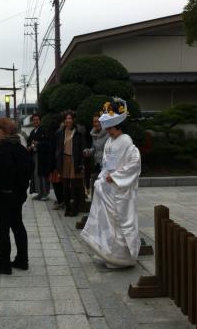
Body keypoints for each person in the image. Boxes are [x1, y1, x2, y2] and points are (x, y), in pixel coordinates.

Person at [81, 99, 142, 268]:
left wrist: (116, 177)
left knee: (120, 221)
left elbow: (134, 164)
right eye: (107, 128)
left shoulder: (126, 141)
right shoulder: (110, 141)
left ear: (118, 126)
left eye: (111, 128)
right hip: (109, 186)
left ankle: (122, 257)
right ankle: (109, 253)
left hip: (121, 188)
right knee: (108, 222)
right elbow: (107, 163)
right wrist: (104, 176)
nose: (108, 131)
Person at [0, 117, 31, 275]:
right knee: (18, 225)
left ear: (5, 132)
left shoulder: (1, 150)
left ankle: (4, 264)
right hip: (18, 195)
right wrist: (21, 190)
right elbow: (28, 172)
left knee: (2, 230)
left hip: (3, 197)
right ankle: (22, 260)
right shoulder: (20, 148)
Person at [76, 114, 109, 229]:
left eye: (98, 122)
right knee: (94, 189)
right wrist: (88, 151)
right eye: (94, 122)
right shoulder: (94, 135)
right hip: (96, 165)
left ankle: (104, 216)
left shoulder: (108, 134)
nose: (96, 124)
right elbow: (95, 149)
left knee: (104, 191)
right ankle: (95, 214)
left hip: (105, 166)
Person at [56, 111, 86, 217]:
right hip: (64, 160)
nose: (68, 120)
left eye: (70, 118)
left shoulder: (79, 132)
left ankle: (75, 208)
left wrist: (81, 164)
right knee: (65, 186)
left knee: (75, 186)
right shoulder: (60, 132)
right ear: (64, 121)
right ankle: (67, 207)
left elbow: (82, 149)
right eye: (66, 119)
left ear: (73, 120)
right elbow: (58, 149)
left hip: (75, 160)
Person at [27, 114, 50, 201]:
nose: (35, 121)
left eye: (37, 120)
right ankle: (39, 193)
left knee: (43, 175)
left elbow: (48, 144)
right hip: (34, 156)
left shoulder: (44, 131)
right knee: (36, 175)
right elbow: (29, 143)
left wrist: (38, 144)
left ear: (40, 121)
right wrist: (29, 147)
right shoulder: (33, 132)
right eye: (34, 120)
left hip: (42, 157)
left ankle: (45, 194)